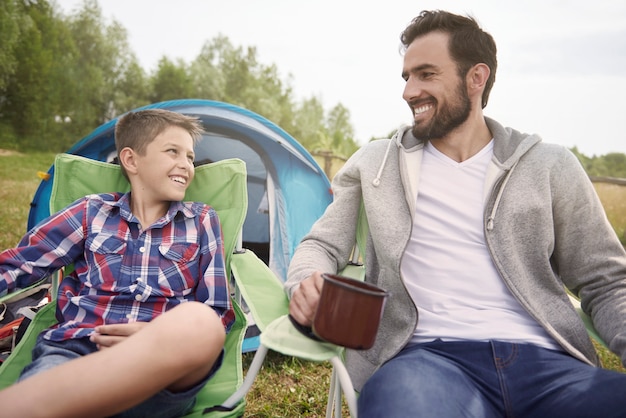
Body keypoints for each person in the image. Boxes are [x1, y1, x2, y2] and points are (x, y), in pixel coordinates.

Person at [286, 9, 626, 418]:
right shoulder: (376, 163)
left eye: (426, 74)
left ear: (476, 78)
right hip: (426, 363)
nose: (409, 91)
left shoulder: (549, 166)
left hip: (549, 365)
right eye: (407, 77)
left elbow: (606, 280)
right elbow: (321, 243)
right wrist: (307, 281)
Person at [0, 109, 235, 418]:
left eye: (190, 157)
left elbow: (217, 309)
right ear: (131, 160)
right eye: (172, 152)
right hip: (78, 351)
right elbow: (21, 263)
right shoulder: (92, 211)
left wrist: (157, 339)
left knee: (202, 323)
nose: (186, 165)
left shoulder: (201, 219)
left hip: (159, 371)